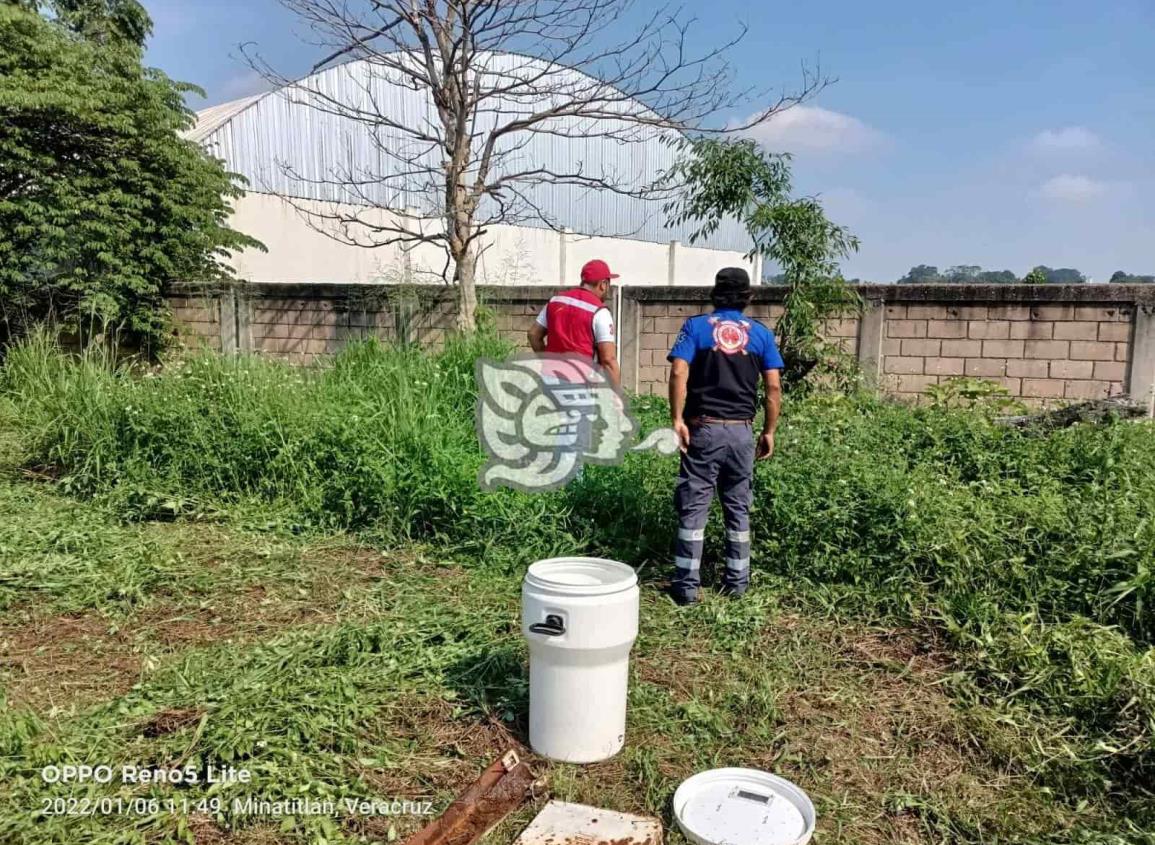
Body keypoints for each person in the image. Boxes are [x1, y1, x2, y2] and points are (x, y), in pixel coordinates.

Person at [665, 267, 783, 605]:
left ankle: (686, 588)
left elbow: (678, 370)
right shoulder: (760, 334)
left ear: (714, 294)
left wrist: (676, 419)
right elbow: (773, 386)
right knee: (737, 508)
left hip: (703, 428)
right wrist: (769, 430)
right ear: (749, 298)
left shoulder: (697, 327)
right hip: (743, 432)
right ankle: (737, 584)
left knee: (694, 508)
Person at [527, 259, 621, 388]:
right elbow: (608, 360)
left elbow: (533, 334)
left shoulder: (555, 301)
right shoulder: (599, 312)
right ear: (603, 284)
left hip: (549, 380)